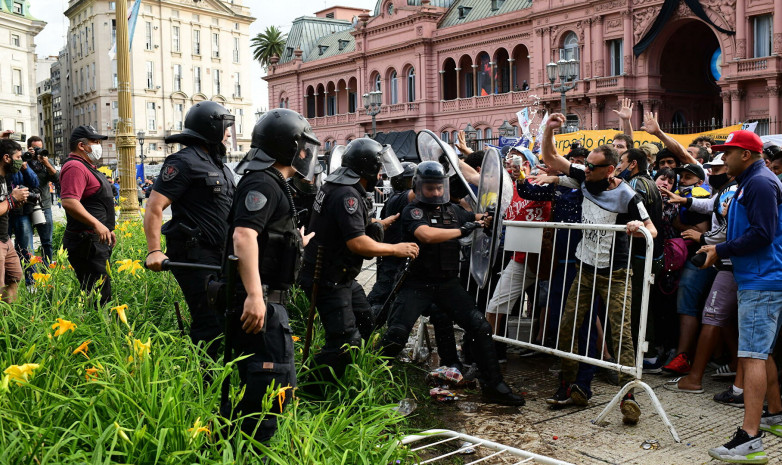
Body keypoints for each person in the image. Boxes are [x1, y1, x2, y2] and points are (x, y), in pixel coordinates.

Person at [540, 113, 657, 425]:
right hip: (585, 269)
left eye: (593, 166)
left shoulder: (628, 194)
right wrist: (548, 129)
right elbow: (549, 156)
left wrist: (637, 225)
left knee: (621, 335)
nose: (586, 168)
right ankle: (570, 385)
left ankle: (629, 394)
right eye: (586, 164)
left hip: (616, 275)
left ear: (611, 169)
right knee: (567, 328)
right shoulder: (583, 176)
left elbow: (652, 229)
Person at [378, 160, 526, 405]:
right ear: (419, 186)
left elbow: (475, 217)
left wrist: (486, 218)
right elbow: (426, 234)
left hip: (448, 284)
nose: (436, 193)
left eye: (439, 187)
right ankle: (371, 386)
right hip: (417, 284)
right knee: (396, 335)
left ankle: (493, 386)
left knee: (480, 327)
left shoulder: (453, 210)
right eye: (430, 188)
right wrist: (466, 228)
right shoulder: (413, 211)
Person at [222, 108, 318, 443]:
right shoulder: (262, 180)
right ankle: (254, 451)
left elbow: (264, 238)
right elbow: (243, 236)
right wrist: (254, 295)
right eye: (303, 147)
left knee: (269, 384)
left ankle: (241, 447)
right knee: (270, 386)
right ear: (287, 146)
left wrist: (295, 244)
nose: (306, 154)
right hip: (260, 301)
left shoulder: (273, 181)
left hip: (267, 299)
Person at [300, 138, 418, 385]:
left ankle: (350, 377)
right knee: (345, 341)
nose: (380, 173)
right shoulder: (347, 194)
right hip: (329, 277)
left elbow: (341, 226)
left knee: (366, 323)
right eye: (378, 168)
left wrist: (378, 224)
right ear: (368, 168)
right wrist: (396, 249)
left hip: (339, 274)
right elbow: (357, 244)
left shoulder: (336, 184)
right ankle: (310, 387)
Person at [698, 130, 782, 464]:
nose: (722, 158)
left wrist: (720, 250)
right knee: (760, 353)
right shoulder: (754, 181)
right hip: (758, 278)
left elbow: (762, 234)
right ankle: (774, 414)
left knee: (752, 356)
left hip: (762, 280)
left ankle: (750, 438)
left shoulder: (760, 183)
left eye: (727, 152)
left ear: (745, 154)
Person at [144, 101, 236, 360]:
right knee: (209, 322)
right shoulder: (183, 162)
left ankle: (220, 378)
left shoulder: (218, 163)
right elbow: (154, 207)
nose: (228, 133)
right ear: (211, 127)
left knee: (223, 317)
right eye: (225, 127)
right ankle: (205, 384)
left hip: (219, 255)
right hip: (194, 255)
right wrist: (154, 251)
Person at [60, 125, 115, 305]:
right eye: (95, 142)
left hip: (95, 241)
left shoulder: (87, 166)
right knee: (99, 296)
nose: (99, 146)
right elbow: (69, 202)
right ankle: (100, 330)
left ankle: (102, 327)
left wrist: (106, 227)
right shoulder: (75, 166)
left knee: (100, 292)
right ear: (81, 146)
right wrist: (97, 225)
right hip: (86, 242)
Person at [366, 161, 417, 316]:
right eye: (412, 180)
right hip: (393, 256)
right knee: (380, 297)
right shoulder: (399, 198)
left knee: (390, 298)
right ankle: (365, 328)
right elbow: (416, 192)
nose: (415, 183)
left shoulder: (395, 197)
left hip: (396, 254)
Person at [0, 139, 28, 302]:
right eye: (18, 157)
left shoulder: (4, 177)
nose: (21, 161)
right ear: (6, 158)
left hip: (5, 238)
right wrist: (11, 200)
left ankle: (9, 318)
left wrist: (15, 202)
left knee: (15, 276)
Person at [25, 136, 58, 265]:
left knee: (47, 241)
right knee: (27, 242)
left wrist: (45, 163)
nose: (38, 150)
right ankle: (30, 270)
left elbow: (57, 179)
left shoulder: (46, 161)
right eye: (35, 148)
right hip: (26, 205)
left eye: (40, 148)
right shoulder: (24, 160)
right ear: (29, 148)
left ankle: (47, 268)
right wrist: (27, 157)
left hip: (44, 205)